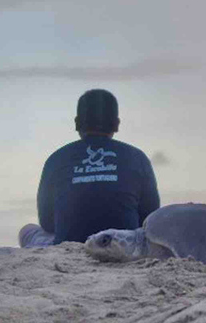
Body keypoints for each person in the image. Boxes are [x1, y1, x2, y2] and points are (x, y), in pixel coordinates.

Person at [19, 89, 160, 248]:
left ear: (77, 123)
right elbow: (150, 219)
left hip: (68, 245)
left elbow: (47, 223)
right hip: (121, 246)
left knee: (27, 230)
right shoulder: (137, 157)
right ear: (116, 124)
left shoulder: (55, 159)